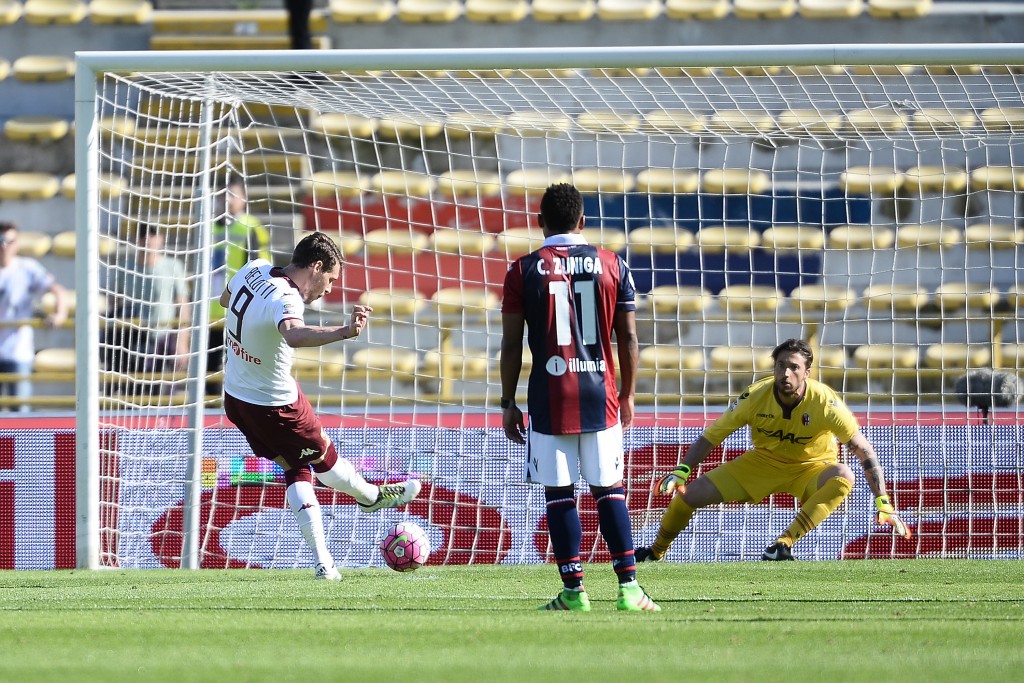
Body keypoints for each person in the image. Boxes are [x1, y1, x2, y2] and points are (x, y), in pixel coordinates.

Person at [220, 231, 421, 580]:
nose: (329, 289)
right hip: (276, 403)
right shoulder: (288, 297)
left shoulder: (253, 267)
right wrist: (344, 332)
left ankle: (340, 539)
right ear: (315, 267)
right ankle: (367, 501)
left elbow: (225, 300)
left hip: (237, 398)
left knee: (296, 465)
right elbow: (294, 334)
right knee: (321, 457)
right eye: (330, 278)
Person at [500, 183, 660, 612]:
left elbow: (512, 344)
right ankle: (629, 589)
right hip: (600, 395)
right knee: (609, 490)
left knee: (559, 494)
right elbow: (628, 337)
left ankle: (574, 592)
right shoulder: (613, 263)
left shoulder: (522, 270)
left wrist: (506, 402)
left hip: (549, 396)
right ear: (583, 221)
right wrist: (626, 395)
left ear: (540, 222)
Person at [636, 338, 912, 563]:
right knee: (687, 496)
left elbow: (863, 450)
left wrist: (883, 500)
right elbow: (711, 436)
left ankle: (782, 544)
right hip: (762, 464)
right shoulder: (755, 397)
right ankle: (655, 552)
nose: (785, 373)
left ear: (807, 372)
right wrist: (683, 470)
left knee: (843, 475)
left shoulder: (826, 403)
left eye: (793, 367)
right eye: (780, 366)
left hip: (811, 467)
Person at [208, 177, 271, 396]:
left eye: (232, 194)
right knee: (209, 366)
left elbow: (259, 267)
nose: (226, 199)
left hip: (239, 309)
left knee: (237, 364)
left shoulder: (251, 227)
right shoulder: (208, 227)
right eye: (222, 194)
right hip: (211, 309)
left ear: (243, 199)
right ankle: (209, 411)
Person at [105, 224, 191, 379]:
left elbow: (183, 306)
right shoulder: (125, 268)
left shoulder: (173, 266)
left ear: (161, 238)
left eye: (153, 234)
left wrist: (182, 342)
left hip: (164, 336)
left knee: (167, 392)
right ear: (135, 239)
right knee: (133, 390)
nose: (147, 239)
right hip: (134, 338)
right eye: (143, 235)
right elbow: (113, 303)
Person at [0, 221, 68, 411]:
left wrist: (60, 314)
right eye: (0, 240)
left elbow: (58, 291)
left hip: (17, 352)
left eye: (9, 241)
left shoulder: (27, 268)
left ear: (17, 243)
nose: (4, 245)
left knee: (20, 413)